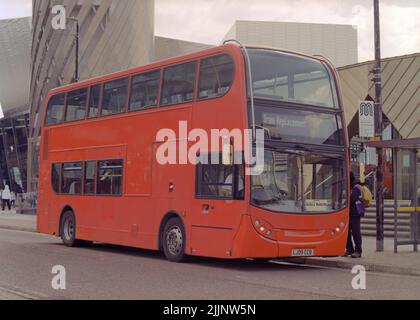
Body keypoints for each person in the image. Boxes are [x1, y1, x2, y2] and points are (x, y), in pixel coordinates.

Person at [345, 172, 364, 258]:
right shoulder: (349, 186)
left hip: (355, 214)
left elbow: (352, 199)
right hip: (348, 213)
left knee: (356, 232)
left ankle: (358, 251)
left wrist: (344, 202)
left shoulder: (356, 187)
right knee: (346, 233)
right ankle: (349, 249)